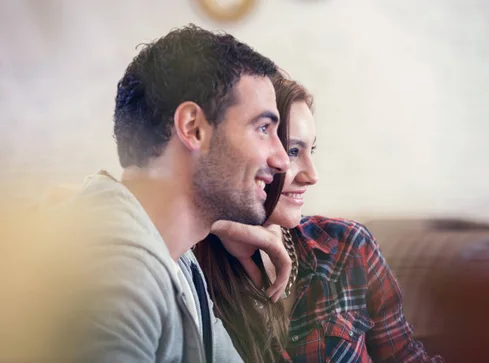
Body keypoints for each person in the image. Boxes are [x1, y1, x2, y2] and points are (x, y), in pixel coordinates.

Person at [46, 25, 295, 363]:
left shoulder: (178, 258)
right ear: (193, 128)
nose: (281, 160)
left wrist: (225, 227)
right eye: (263, 128)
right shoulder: (118, 274)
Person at [196, 72, 444, 362]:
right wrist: (212, 220)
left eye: (310, 150)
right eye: (292, 151)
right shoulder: (189, 269)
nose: (312, 176)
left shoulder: (347, 246)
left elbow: (407, 357)